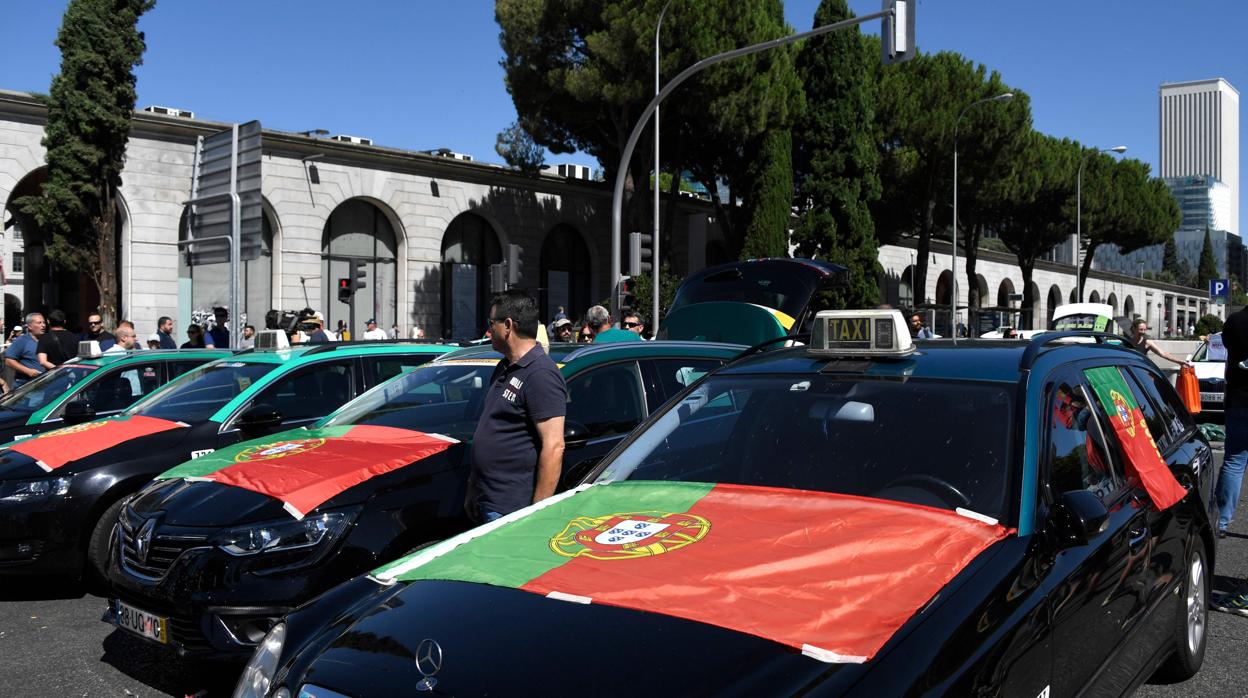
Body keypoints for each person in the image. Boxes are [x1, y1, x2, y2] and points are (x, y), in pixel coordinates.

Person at [467, 290, 567, 522]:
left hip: (512, 509)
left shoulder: (541, 374)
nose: (487, 331)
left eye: (491, 323)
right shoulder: (505, 366)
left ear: (508, 325)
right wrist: (473, 486)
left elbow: (554, 447)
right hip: (488, 498)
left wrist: (535, 515)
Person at [5, 312, 46, 388]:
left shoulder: (47, 340)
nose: (43, 325)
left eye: (44, 322)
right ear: (30, 326)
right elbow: (8, 361)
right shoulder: (21, 341)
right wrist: (28, 371)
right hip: (26, 386)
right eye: (39, 323)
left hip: (46, 385)